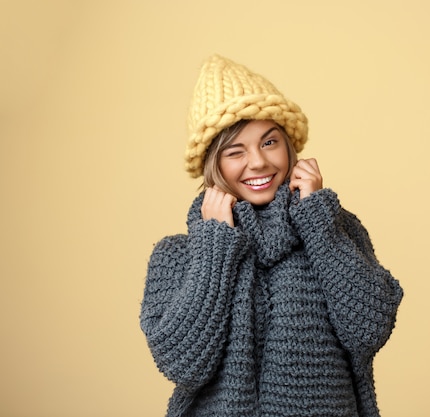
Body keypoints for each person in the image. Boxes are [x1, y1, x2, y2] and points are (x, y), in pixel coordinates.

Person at [140, 54, 403, 417]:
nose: (259, 162)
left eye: (269, 142)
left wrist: (318, 221)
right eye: (235, 151)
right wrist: (215, 245)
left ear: (289, 146)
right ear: (212, 164)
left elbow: (369, 330)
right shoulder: (178, 256)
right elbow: (183, 365)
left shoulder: (333, 227)